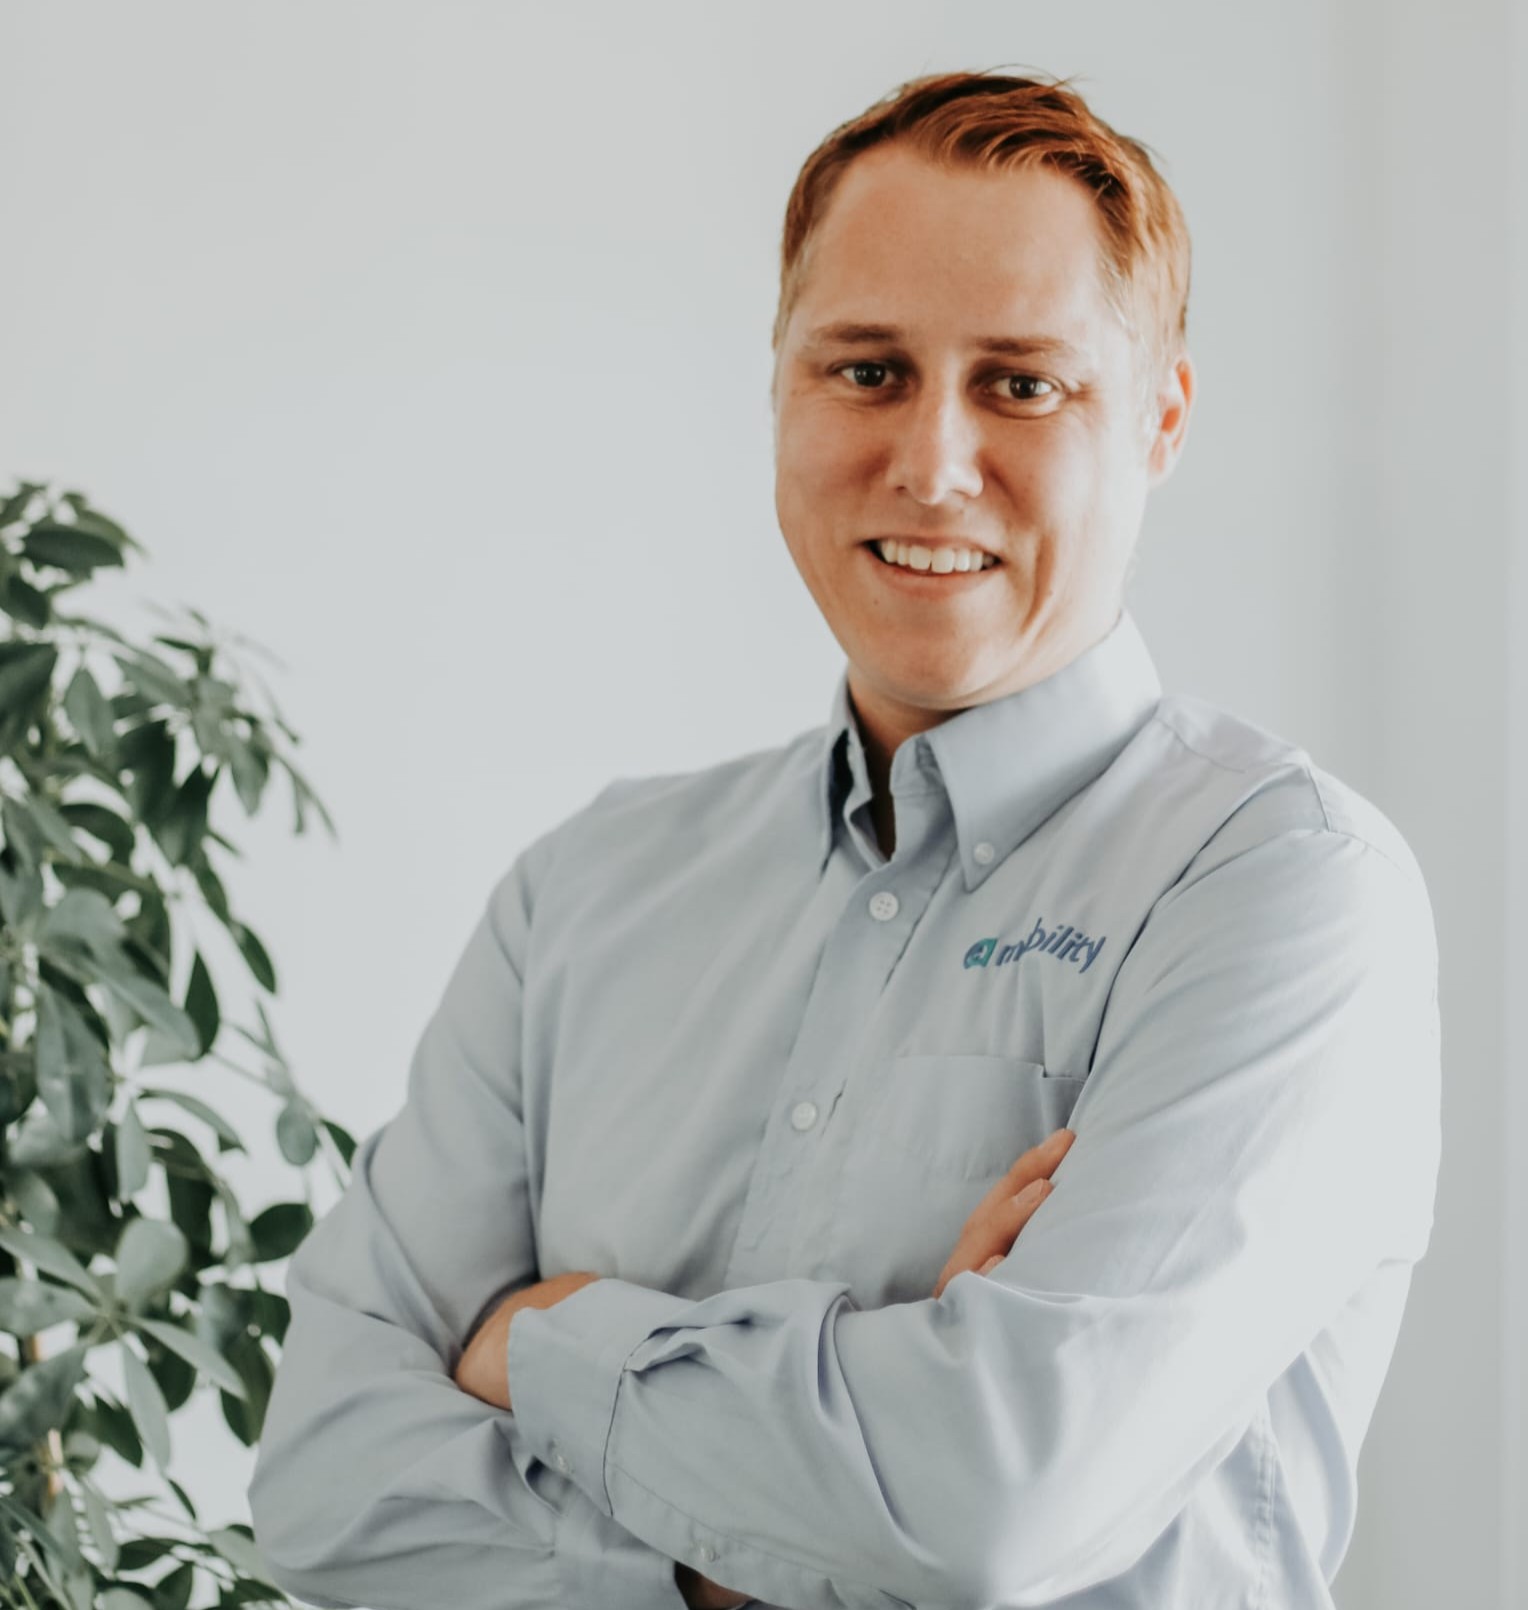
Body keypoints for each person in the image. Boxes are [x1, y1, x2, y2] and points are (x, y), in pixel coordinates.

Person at [247, 67, 1442, 1610]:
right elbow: (324, 1479)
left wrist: (539, 1341)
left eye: (1022, 382)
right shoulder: (584, 897)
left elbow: (993, 1504)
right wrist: (758, 1548)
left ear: (1160, 420)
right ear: (780, 388)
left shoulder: (1281, 894)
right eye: (867, 369)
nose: (934, 462)